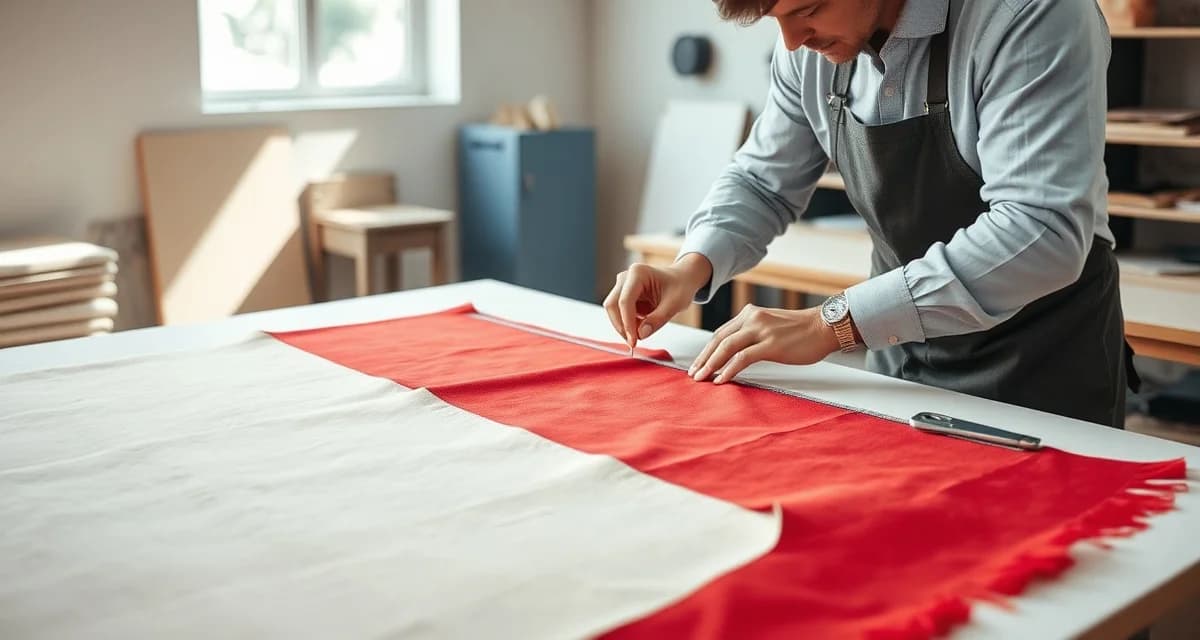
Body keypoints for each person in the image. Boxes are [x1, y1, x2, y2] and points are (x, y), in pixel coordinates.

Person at [604, 0, 1138, 427]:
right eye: (777, 21)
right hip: (898, 359)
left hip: (1041, 368)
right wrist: (689, 266)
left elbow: (1040, 231)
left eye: (807, 10)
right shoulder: (805, 50)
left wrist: (830, 323)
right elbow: (762, 181)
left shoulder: (1030, 15)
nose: (791, 42)